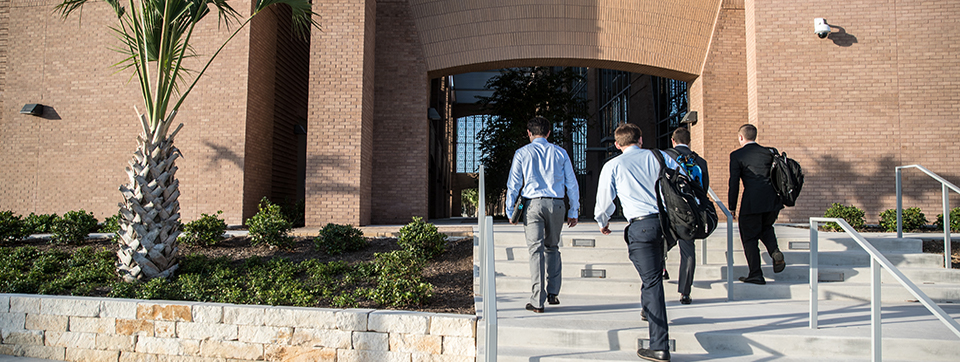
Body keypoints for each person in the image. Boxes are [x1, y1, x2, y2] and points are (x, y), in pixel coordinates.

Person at [595, 123, 677, 362]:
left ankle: (659, 346)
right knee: (651, 275)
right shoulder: (660, 156)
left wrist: (603, 221)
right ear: (640, 139)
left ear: (617, 144)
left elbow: (604, 200)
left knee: (652, 282)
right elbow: (681, 178)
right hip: (664, 225)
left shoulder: (613, 165)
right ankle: (646, 309)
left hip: (640, 226)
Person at [505, 116, 580, 314]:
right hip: (556, 205)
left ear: (529, 133)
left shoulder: (522, 153)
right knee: (553, 248)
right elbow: (571, 183)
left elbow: (513, 184)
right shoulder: (560, 152)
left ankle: (538, 300)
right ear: (548, 133)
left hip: (532, 206)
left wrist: (509, 209)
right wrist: (573, 210)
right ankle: (553, 292)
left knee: (535, 250)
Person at [728, 124, 786, 285]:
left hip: (752, 203)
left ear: (741, 137)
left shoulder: (737, 155)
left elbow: (734, 183)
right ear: (755, 136)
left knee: (749, 238)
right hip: (773, 202)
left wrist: (731, 207)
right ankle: (775, 253)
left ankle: (755, 274)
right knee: (766, 228)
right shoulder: (769, 152)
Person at [664, 127, 709, 304]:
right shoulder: (700, 161)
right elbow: (703, 189)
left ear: (672, 140)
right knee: (688, 250)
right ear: (689, 141)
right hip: (689, 212)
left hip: (669, 208)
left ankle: (661, 268)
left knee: (661, 241)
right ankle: (685, 292)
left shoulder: (665, 156)